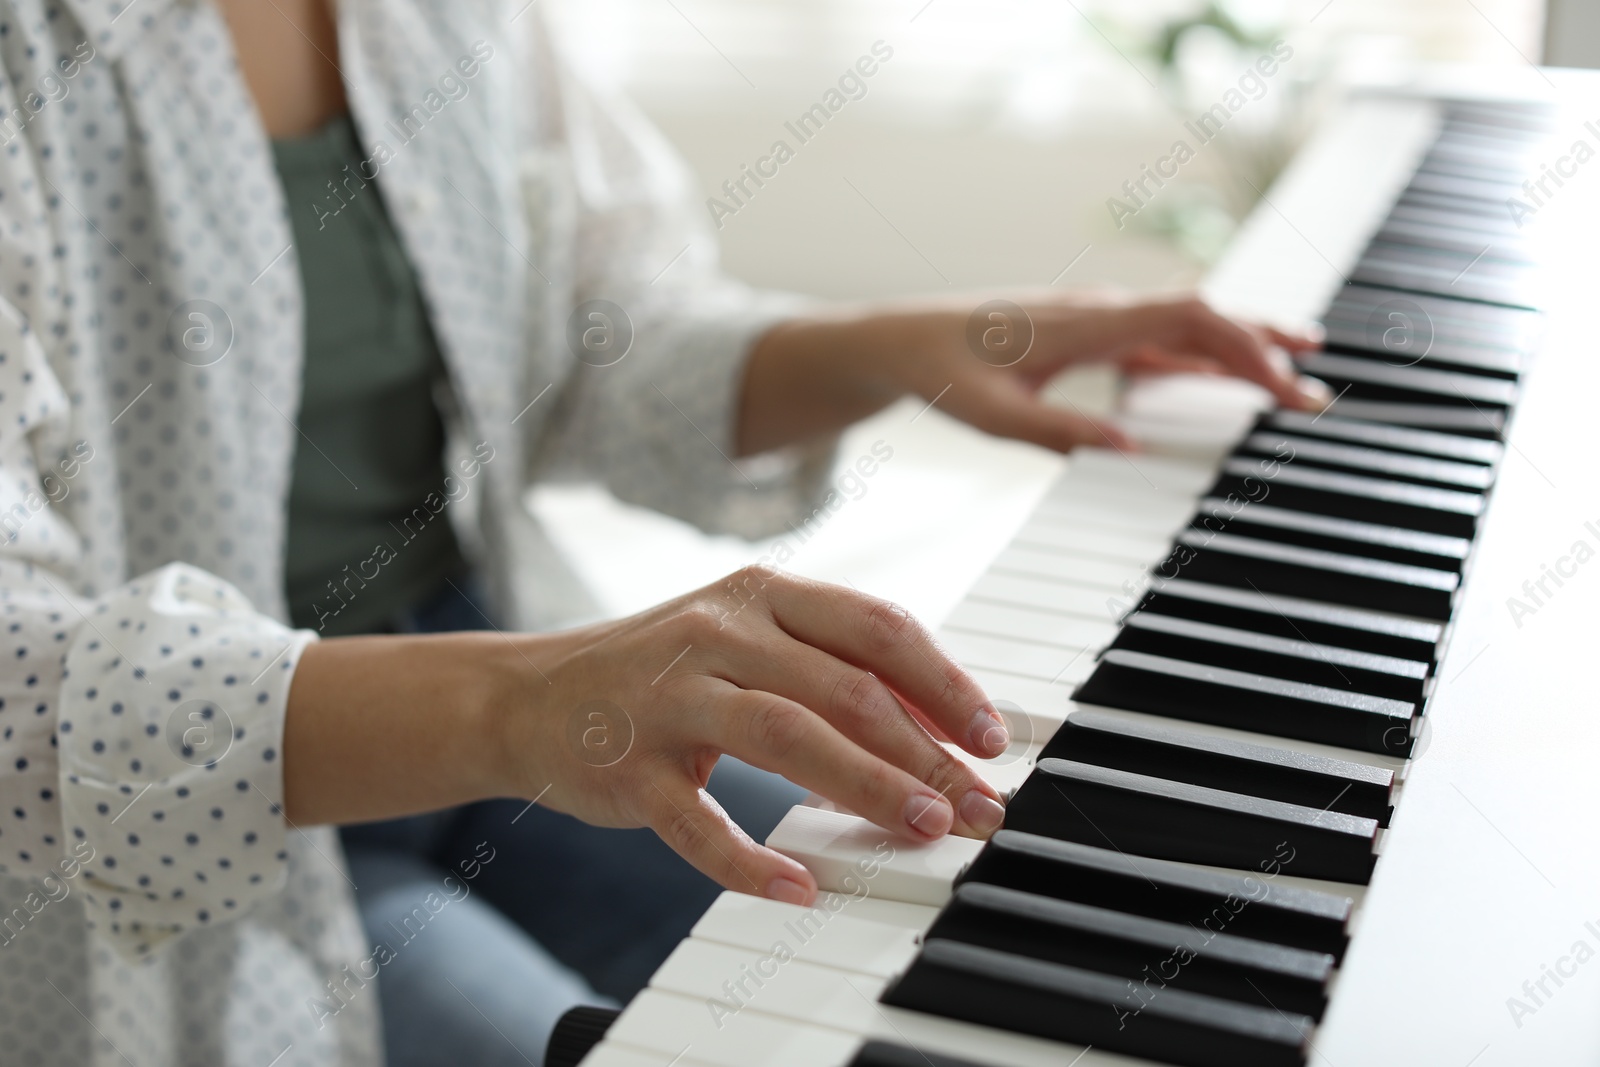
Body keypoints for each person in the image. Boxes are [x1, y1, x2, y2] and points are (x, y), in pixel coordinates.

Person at [0, 1, 1325, 1064]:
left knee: (967, 908)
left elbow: (593, 341)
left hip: (478, 660)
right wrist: (522, 706)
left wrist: (899, 344)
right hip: (202, 849)